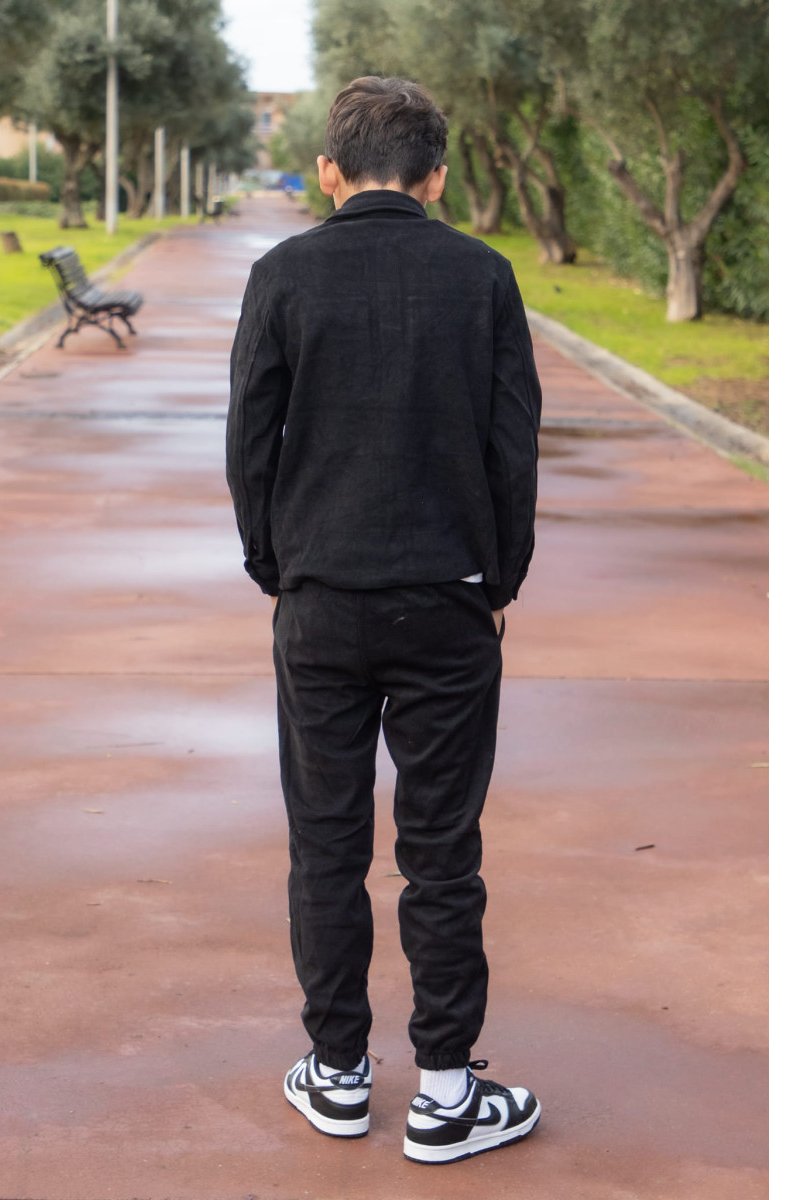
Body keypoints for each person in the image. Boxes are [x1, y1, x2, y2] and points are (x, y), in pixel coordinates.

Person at [226, 75, 542, 1164]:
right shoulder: (484, 275)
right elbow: (512, 443)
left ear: (328, 170)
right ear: (436, 177)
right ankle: (448, 1094)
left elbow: (249, 440)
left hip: (321, 599)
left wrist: (276, 567)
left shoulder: (282, 275)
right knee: (442, 851)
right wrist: (497, 581)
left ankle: (339, 1074)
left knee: (325, 843)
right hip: (448, 597)